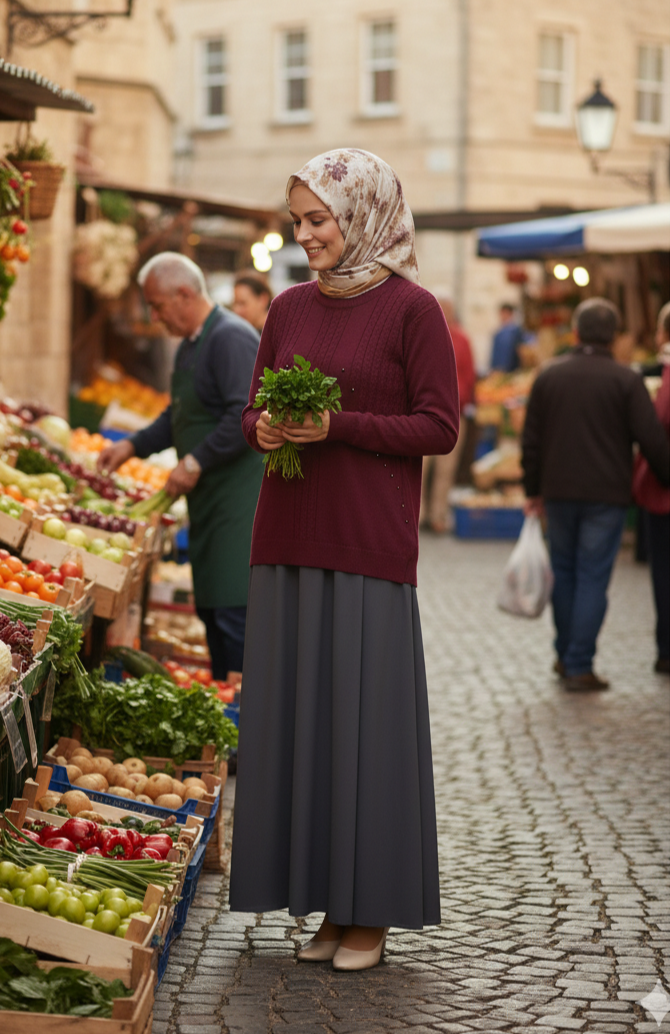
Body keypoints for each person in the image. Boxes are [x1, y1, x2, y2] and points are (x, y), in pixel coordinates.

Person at [229, 149, 459, 971]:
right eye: (297, 221)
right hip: (287, 532)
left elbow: (439, 427)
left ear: (361, 215)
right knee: (303, 729)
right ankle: (325, 904)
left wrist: (340, 425)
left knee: (366, 731)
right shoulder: (288, 307)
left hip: (367, 542)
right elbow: (255, 402)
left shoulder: (412, 311)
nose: (304, 236)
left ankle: (370, 914)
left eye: (317, 220)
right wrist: (263, 428)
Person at [97, 253, 264, 680]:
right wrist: (132, 446)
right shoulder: (192, 345)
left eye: (157, 305)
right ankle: (228, 707)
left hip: (239, 506)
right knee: (212, 612)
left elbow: (244, 414)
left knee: (235, 617)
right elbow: (179, 416)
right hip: (209, 505)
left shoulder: (230, 338)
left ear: (185, 294)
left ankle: (248, 722)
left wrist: (194, 460)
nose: (154, 316)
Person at [522, 298, 670, 691]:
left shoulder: (548, 376)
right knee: (591, 578)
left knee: (565, 574)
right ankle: (578, 663)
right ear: (616, 338)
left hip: (557, 492)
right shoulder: (626, 380)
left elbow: (531, 441)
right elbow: (651, 439)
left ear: (575, 332)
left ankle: (565, 654)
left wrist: (532, 490)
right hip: (607, 495)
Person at [632, 300, 670, 675]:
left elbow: (657, 425)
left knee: (663, 573)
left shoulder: (666, 375)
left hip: (663, 492)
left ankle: (666, 648)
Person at [420, 289, 476, 532]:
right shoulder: (422, 337)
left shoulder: (462, 339)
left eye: (447, 308)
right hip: (422, 412)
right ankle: (418, 515)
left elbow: (469, 375)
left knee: (446, 469)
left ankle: (438, 516)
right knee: (420, 468)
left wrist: (463, 400)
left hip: (454, 412)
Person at [490, 302, 524, 372]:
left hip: (510, 370)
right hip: (498, 370)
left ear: (509, 314)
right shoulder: (498, 333)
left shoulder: (515, 331)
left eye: (504, 313)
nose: (502, 316)